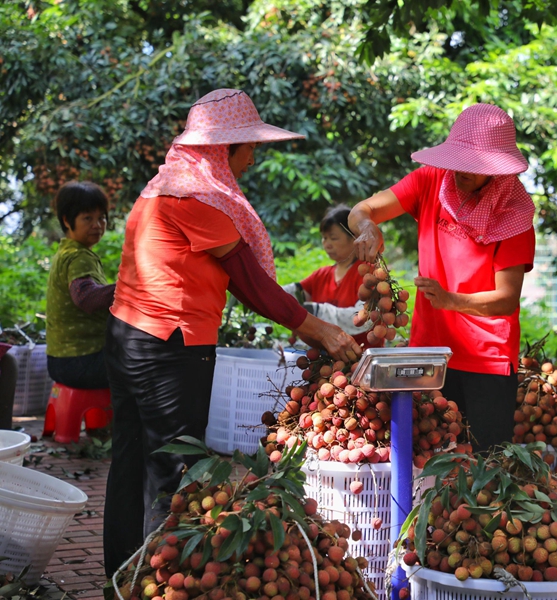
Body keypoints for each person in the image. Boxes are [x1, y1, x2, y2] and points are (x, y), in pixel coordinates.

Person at [103, 89, 361, 577]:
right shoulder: (192, 198)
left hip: (128, 338)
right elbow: (250, 283)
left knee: (131, 461)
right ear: (224, 150)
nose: (252, 159)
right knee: (172, 472)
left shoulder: (161, 187)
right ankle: (158, 582)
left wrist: (309, 327)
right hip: (169, 347)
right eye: (249, 148)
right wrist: (319, 331)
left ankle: (121, 575)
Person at [349, 103, 535, 453]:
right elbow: (363, 209)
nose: (461, 171)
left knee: (487, 466)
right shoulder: (430, 181)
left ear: (495, 170)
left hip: (487, 360)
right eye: (458, 161)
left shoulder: (514, 215)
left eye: (473, 166)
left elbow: (507, 298)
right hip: (431, 354)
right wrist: (366, 228)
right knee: (431, 461)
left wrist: (450, 300)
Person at [45, 181, 116, 389]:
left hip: (60, 361)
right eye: (88, 218)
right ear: (67, 221)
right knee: (148, 367)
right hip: (82, 361)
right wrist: (130, 287)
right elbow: (85, 297)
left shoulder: (65, 252)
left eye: (101, 218)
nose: (97, 225)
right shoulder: (78, 257)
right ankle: (121, 423)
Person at [283, 204, 370, 346]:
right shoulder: (321, 275)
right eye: (324, 238)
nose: (327, 244)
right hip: (324, 359)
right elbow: (292, 292)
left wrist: (317, 311)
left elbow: (362, 317)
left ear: (355, 238)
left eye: (333, 238)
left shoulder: (367, 273)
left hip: (359, 359)